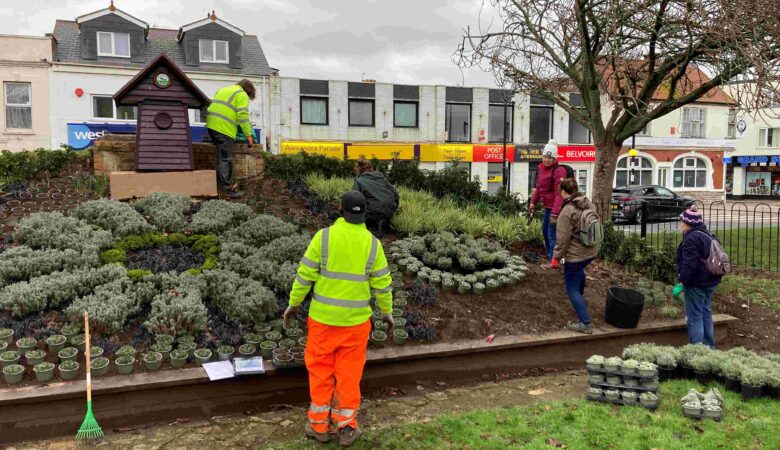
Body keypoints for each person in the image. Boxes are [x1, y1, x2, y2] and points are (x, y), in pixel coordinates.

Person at [284, 190, 394, 447]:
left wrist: (293, 304)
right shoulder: (373, 244)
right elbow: (383, 284)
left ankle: (319, 427)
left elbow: (304, 276)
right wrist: (386, 311)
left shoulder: (323, 238)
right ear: (364, 214)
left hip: (322, 322)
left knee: (320, 372)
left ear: (340, 211)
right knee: (349, 376)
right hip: (355, 326)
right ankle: (346, 427)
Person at [553, 178, 599, 334]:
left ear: (564, 192)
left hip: (576, 255)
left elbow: (562, 238)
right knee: (579, 272)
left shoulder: (567, 210)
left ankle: (585, 323)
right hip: (591, 251)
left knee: (571, 287)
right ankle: (580, 300)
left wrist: (556, 258)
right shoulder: (588, 203)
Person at [673, 205, 722, 348]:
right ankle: (708, 347)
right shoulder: (707, 234)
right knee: (706, 313)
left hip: (697, 284)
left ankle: (696, 351)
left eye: (681, 221)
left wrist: (681, 282)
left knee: (695, 317)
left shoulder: (691, 239)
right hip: (711, 282)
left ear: (688, 223)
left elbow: (689, 264)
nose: (679, 223)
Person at [205, 79, 255, 198]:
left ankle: (218, 186)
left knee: (220, 156)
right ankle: (226, 190)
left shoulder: (224, 90)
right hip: (224, 129)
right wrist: (248, 135)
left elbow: (224, 109)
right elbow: (242, 116)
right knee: (225, 159)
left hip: (211, 126)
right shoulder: (241, 94)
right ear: (248, 91)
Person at [529, 139, 568, 269]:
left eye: (550, 158)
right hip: (548, 207)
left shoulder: (559, 171)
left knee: (552, 234)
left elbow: (559, 194)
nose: (546, 160)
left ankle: (554, 262)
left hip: (556, 208)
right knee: (545, 231)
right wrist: (533, 202)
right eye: (545, 157)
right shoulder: (541, 169)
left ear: (554, 158)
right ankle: (551, 257)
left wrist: (555, 213)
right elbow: (539, 188)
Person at [352, 157, 399, 238]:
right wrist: (394, 207)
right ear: (371, 168)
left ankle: (372, 225)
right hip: (390, 209)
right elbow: (396, 194)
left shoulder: (359, 181)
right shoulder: (382, 178)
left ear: (359, 169)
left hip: (373, 211)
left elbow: (354, 199)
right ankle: (382, 222)